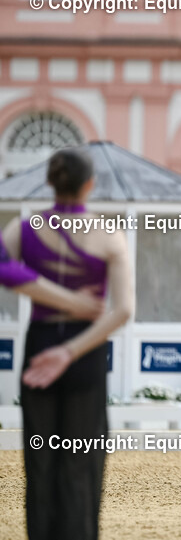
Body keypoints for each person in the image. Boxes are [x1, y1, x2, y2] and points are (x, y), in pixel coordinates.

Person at [1, 147, 133, 540]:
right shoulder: (108, 234)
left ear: (50, 182)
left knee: (40, 461)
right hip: (85, 351)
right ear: (90, 185)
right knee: (82, 461)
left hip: (39, 345)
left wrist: (52, 298)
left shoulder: (25, 228)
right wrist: (70, 347)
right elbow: (124, 310)